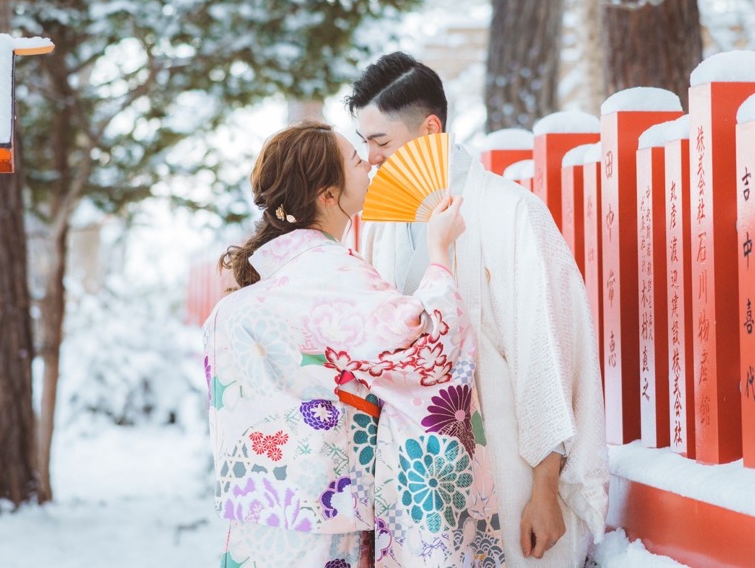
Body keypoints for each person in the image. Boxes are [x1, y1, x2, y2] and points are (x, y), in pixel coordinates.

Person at [204, 120, 505, 567]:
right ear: (328, 195)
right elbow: (429, 352)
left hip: (258, 512)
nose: (369, 163)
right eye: (355, 159)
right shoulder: (330, 273)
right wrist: (439, 252)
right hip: (328, 512)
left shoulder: (249, 295)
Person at [348, 53, 609, 565]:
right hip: (415, 469)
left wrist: (545, 487)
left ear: (430, 130)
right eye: (365, 143)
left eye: (381, 142)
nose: (372, 159)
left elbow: (546, 350)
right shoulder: (381, 226)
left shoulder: (511, 211)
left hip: (504, 454)